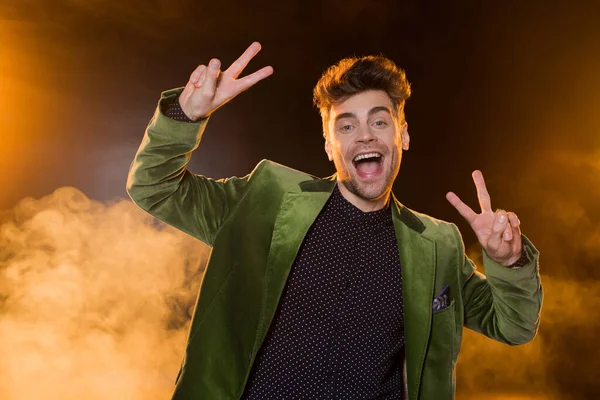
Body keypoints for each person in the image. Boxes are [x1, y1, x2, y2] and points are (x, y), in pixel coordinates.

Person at [127, 42, 543, 400]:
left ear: (403, 135)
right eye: (346, 125)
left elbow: (514, 326)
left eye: (380, 121)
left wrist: (509, 262)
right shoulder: (265, 197)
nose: (364, 135)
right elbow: (153, 188)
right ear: (329, 145)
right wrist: (185, 116)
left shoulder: (439, 245)